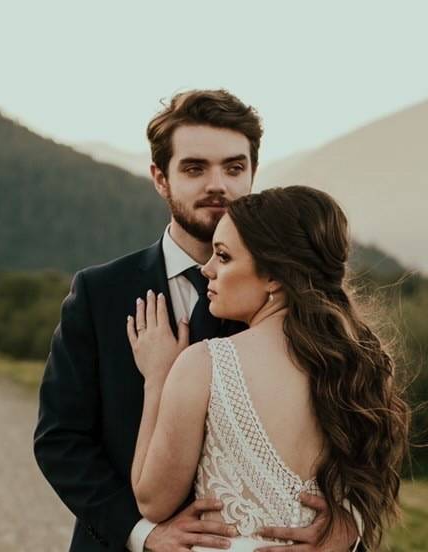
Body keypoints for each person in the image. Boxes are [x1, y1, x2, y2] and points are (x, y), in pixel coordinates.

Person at [34, 90, 363, 551]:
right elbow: (60, 439)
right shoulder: (100, 292)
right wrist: (144, 533)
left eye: (234, 168)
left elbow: (361, 430)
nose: (218, 185)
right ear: (159, 178)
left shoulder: (300, 302)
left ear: (252, 173)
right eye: (194, 168)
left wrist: (349, 526)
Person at [127, 186, 410, 551]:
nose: (206, 268)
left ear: (274, 276)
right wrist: (348, 525)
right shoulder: (355, 367)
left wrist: (157, 379)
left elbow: (153, 501)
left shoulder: (203, 364)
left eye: (224, 257)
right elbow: (362, 491)